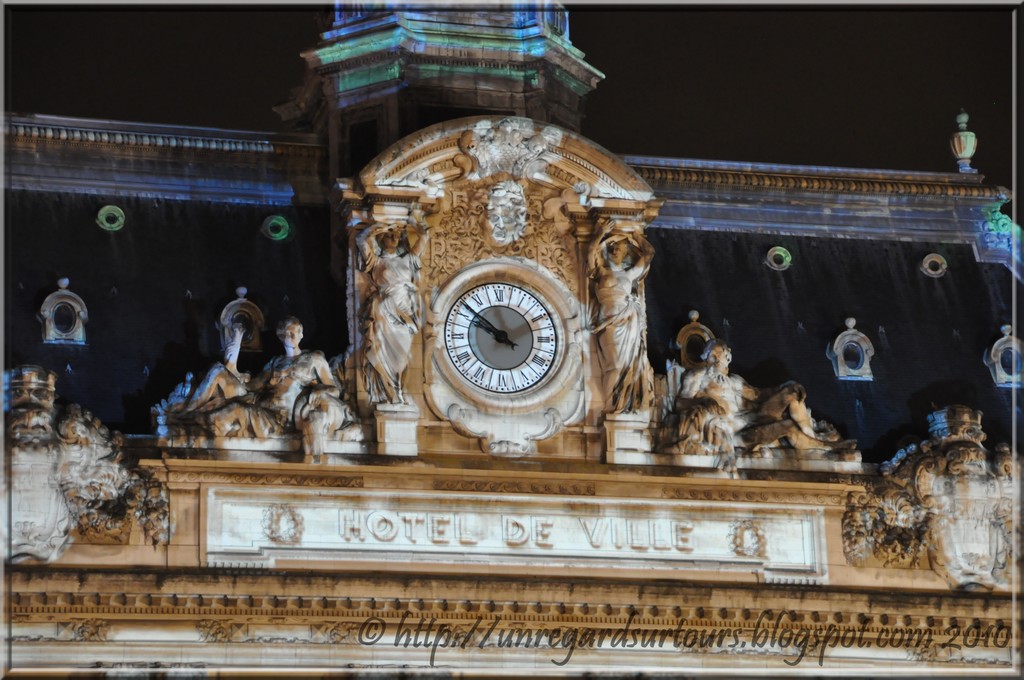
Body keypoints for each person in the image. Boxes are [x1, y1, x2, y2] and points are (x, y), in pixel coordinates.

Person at [670, 340, 855, 456]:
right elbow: (680, 403)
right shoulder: (699, 376)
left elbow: (759, 395)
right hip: (733, 429)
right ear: (706, 358)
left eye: (721, 356)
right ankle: (828, 447)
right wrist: (703, 400)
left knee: (792, 393)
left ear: (728, 358)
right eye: (713, 356)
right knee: (789, 427)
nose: (717, 361)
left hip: (753, 417)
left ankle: (813, 436)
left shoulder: (734, 380)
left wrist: (785, 386)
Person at [357, 209, 429, 405]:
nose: (394, 237)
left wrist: (412, 219)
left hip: (405, 310)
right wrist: (375, 227)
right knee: (382, 352)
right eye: (390, 234)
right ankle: (391, 390)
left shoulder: (409, 259)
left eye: (397, 235)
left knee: (403, 357)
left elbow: (424, 236)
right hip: (384, 310)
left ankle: (397, 387)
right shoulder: (377, 262)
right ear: (382, 238)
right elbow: (361, 240)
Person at [588, 220, 655, 414]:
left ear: (626, 253)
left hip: (628, 321)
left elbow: (649, 253)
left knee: (625, 365)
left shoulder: (629, 275)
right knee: (615, 366)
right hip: (608, 322)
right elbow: (590, 252)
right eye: (613, 247)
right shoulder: (601, 272)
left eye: (620, 247)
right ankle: (613, 406)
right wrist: (600, 233)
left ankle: (621, 409)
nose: (616, 249)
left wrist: (636, 235)